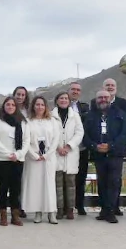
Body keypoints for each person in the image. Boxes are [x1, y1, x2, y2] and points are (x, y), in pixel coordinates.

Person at [83, 90, 126, 224]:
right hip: (98, 154)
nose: (103, 99)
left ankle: (111, 211)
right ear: (96, 100)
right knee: (102, 183)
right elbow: (85, 134)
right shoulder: (90, 115)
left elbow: (125, 134)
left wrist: (111, 146)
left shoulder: (120, 114)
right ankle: (104, 210)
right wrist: (94, 146)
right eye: (100, 97)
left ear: (110, 99)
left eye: (105, 97)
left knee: (113, 182)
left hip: (115, 154)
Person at [0, 97, 29, 226]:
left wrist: (18, 154)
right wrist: (8, 154)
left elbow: (26, 141)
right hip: (2, 159)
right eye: (8, 104)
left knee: (16, 188)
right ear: (4, 106)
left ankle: (15, 215)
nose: (10, 106)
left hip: (18, 159)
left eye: (13, 105)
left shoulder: (23, 122)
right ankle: (3, 215)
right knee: (3, 187)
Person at [22, 96, 60, 224]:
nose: (39, 107)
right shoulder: (27, 121)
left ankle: (51, 213)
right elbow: (25, 140)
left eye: (42, 105)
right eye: (37, 104)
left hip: (48, 158)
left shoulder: (52, 121)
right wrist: (34, 155)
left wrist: (47, 154)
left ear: (45, 107)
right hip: (34, 158)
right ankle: (38, 212)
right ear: (33, 106)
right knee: (36, 185)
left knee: (49, 185)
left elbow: (56, 140)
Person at [52, 92, 84, 220]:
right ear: (57, 100)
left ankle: (70, 209)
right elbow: (49, 133)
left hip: (70, 153)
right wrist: (58, 147)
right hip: (56, 153)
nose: (64, 100)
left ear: (69, 101)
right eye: (61, 98)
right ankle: (59, 209)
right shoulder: (51, 116)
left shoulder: (75, 116)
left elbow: (79, 132)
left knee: (71, 183)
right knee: (57, 183)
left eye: (66, 98)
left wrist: (69, 146)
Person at [69, 82, 91, 215]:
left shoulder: (84, 107)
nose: (75, 92)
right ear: (68, 91)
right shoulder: (61, 105)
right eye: (73, 89)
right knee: (66, 178)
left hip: (82, 148)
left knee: (81, 178)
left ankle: (80, 205)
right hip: (66, 149)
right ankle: (66, 206)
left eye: (78, 90)